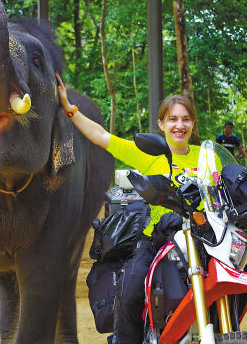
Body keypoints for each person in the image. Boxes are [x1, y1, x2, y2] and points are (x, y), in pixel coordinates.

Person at [56, 72, 199, 344]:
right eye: (173, 119)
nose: (179, 125)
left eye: (185, 119)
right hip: (156, 240)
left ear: (192, 123)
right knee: (131, 290)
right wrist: (69, 108)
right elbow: (100, 136)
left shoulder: (207, 155)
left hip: (201, 239)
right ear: (161, 124)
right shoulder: (150, 153)